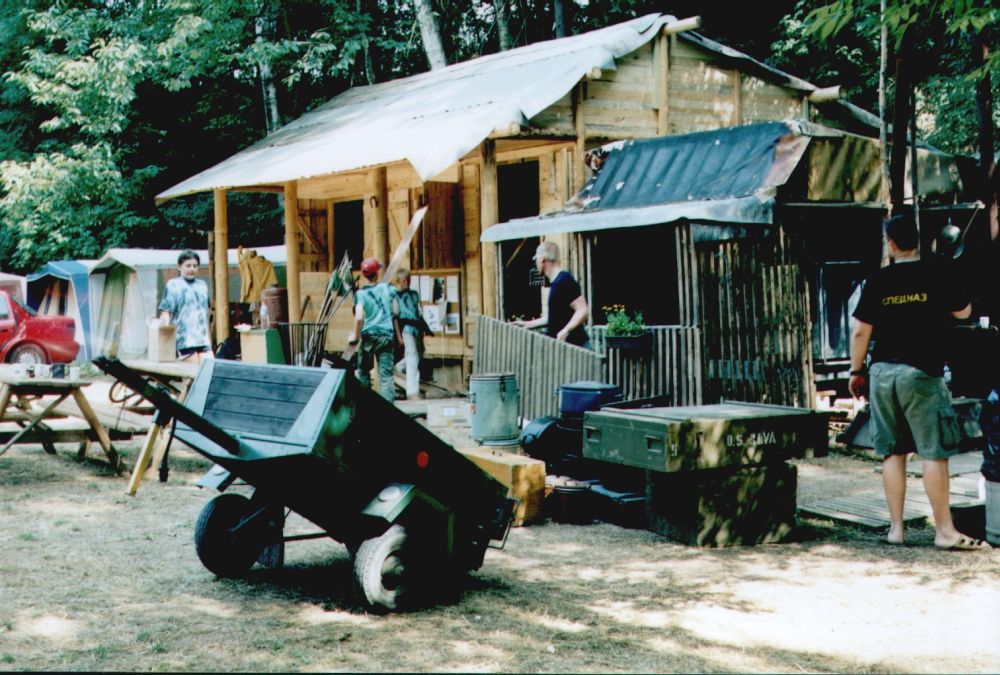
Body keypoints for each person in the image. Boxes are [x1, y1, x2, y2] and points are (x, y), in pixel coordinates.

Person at [849, 214, 989, 550]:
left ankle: (896, 530)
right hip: (921, 372)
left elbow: (860, 332)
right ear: (920, 241)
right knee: (933, 452)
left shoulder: (877, 280)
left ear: (891, 244)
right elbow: (964, 312)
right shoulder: (939, 272)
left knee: (893, 452)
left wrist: (856, 372)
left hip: (882, 372)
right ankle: (944, 532)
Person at [511, 241, 591, 349]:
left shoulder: (564, 280)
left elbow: (583, 310)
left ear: (542, 259)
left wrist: (566, 330)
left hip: (580, 350)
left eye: (535, 259)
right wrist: (528, 324)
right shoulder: (556, 283)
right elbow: (554, 318)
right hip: (568, 349)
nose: (535, 263)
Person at [349, 257, 396, 402]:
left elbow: (358, 318)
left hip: (369, 336)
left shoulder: (360, 294)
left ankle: (366, 406)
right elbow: (396, 310)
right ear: (377, 273)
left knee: (363, 372)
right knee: (386, 377)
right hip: (386, 336)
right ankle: (388, 411)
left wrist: (355, 337)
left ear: (364, 275)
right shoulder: (388, 288)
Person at [159, 249, 214, 363]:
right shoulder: (173, 284)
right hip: (184, 340)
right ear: (179, 267)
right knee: (193, 372)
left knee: (209, 370)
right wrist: (165, 332)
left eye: (195, 266)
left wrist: (209, 339)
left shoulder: (202, 285)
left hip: (203, 340)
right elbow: (165, 311)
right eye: (188, 266)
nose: (192, 269)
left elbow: (206, 314)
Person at [391, 268, 427, 401]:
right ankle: (412, 392)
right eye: (403, 281)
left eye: (407, 280)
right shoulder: (396, 297)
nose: (406, 282)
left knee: (419, 354)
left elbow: (418, 313)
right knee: (412, 359)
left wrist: (425, 329)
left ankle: (398, 367)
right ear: (399, 281)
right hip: (406, 329)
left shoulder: (414, 295)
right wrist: (399, 336)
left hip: (417, 328)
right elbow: (395, 318)